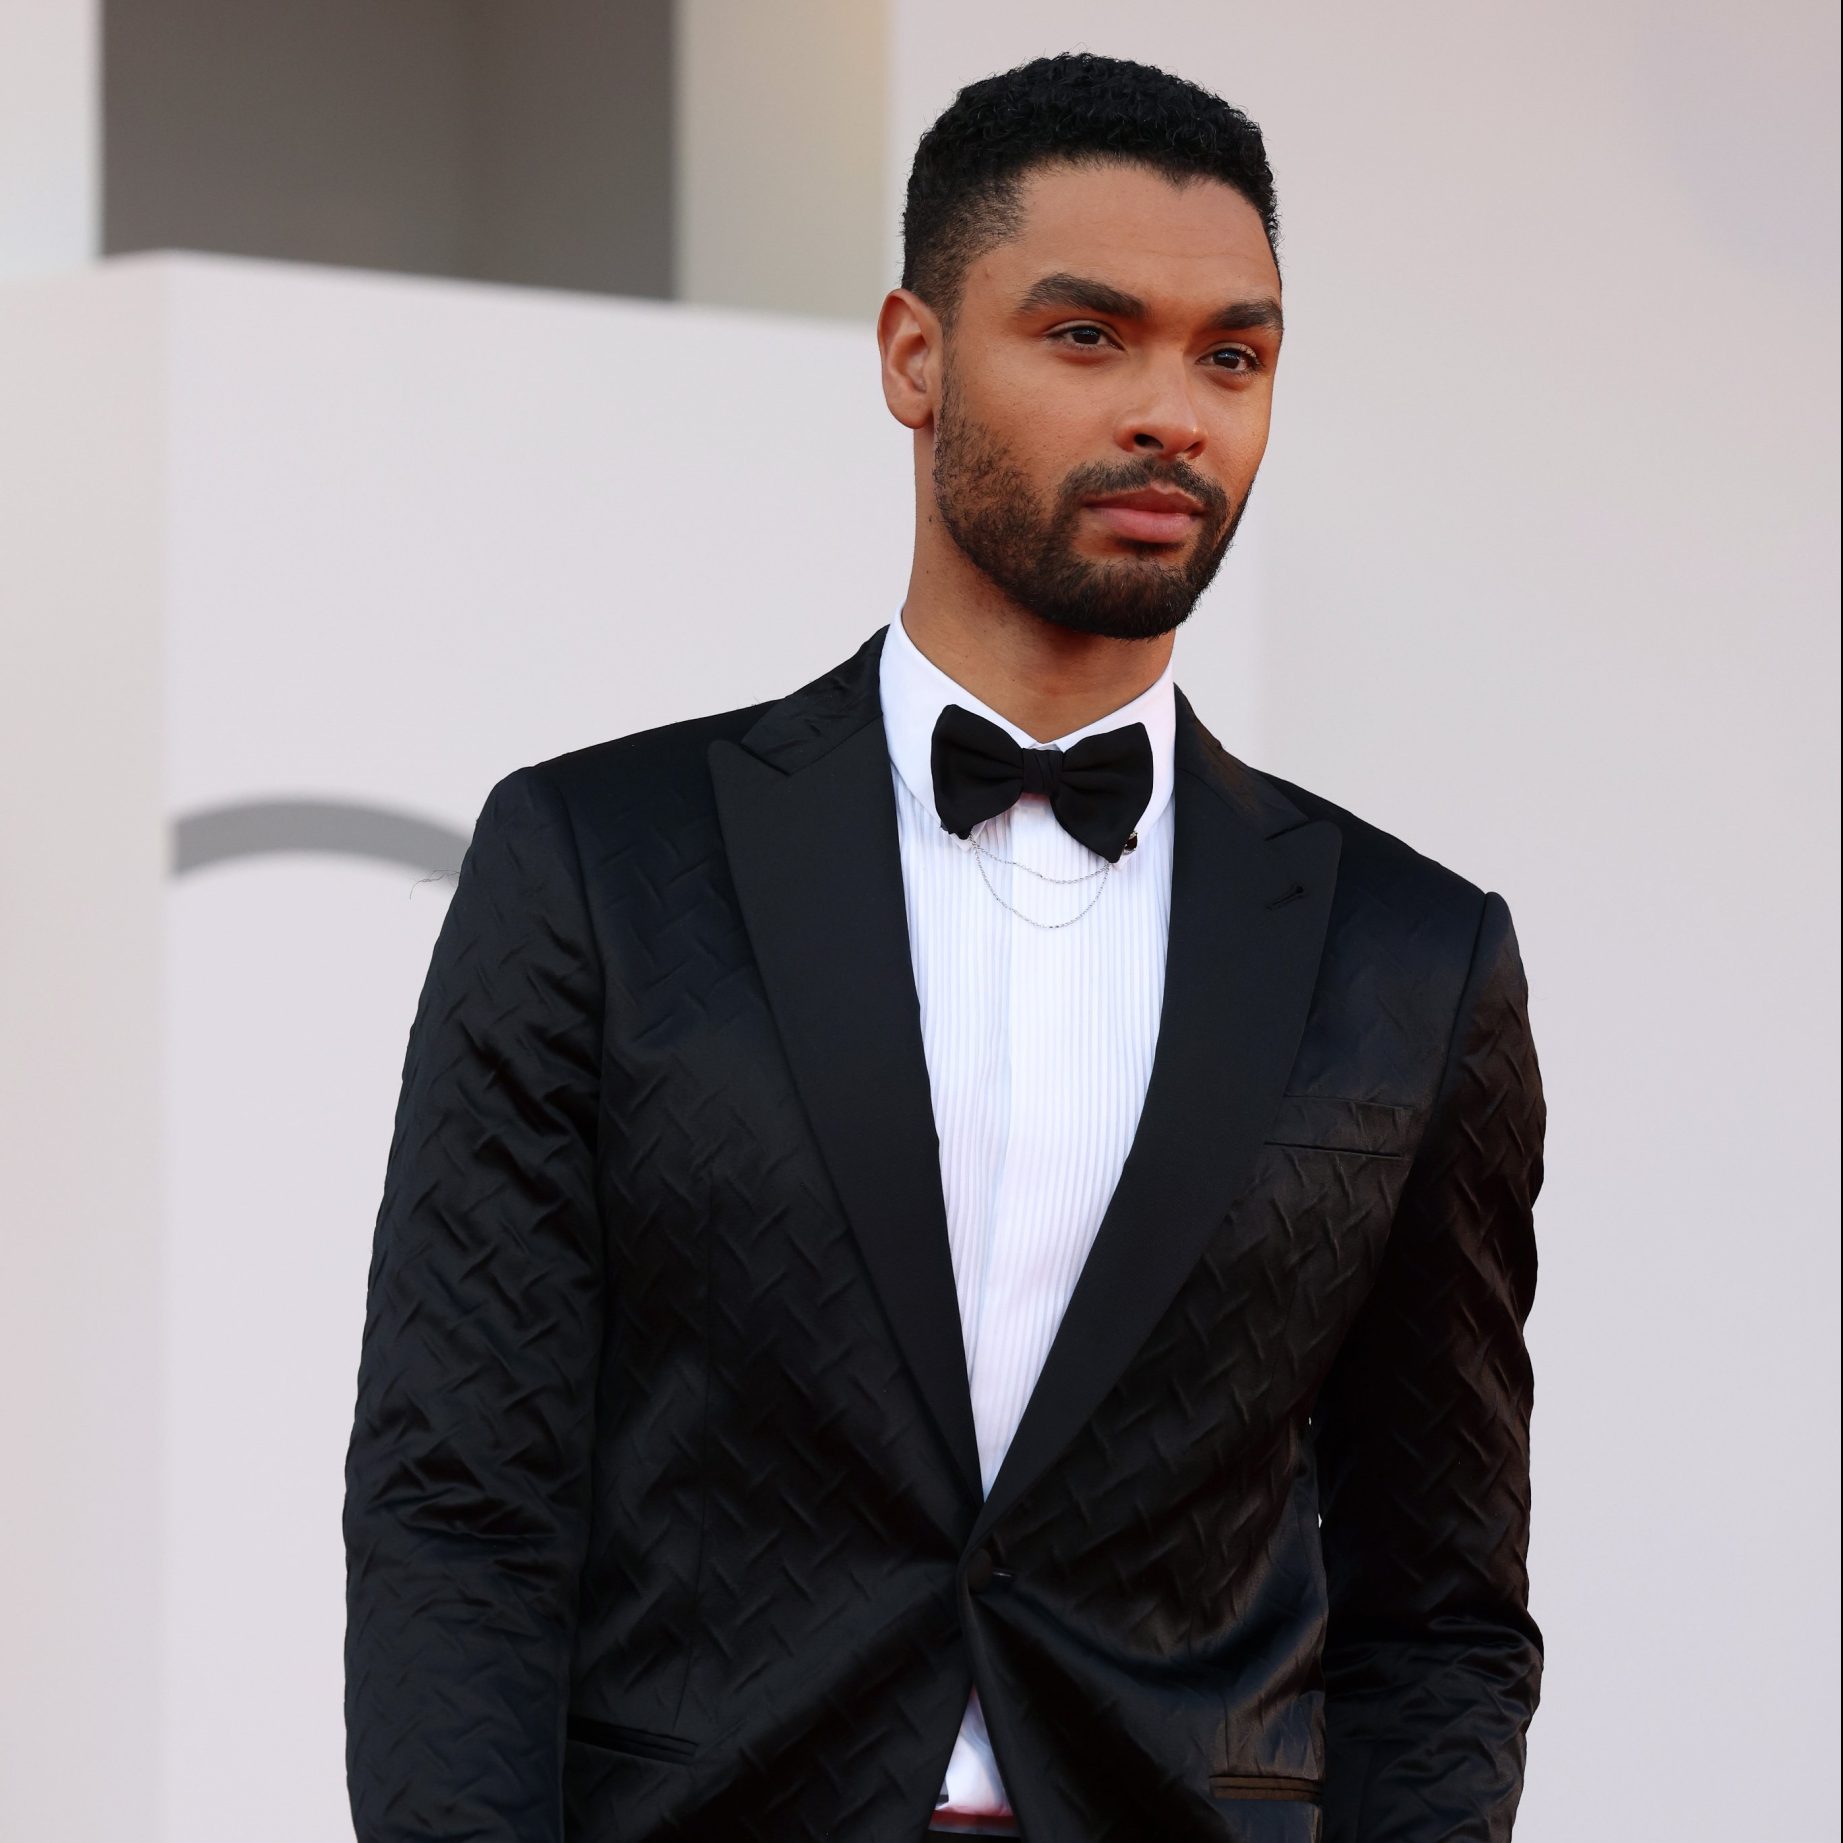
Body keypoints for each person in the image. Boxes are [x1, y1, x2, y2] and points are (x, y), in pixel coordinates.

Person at [344, 50, 1544, 1843]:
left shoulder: (1411, 961)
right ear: (915, 357)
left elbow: (1439, 1613)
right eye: (1089, 337)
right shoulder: (601, 866)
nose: (1174, 413)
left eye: (1233, 357)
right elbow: (460, 1507)